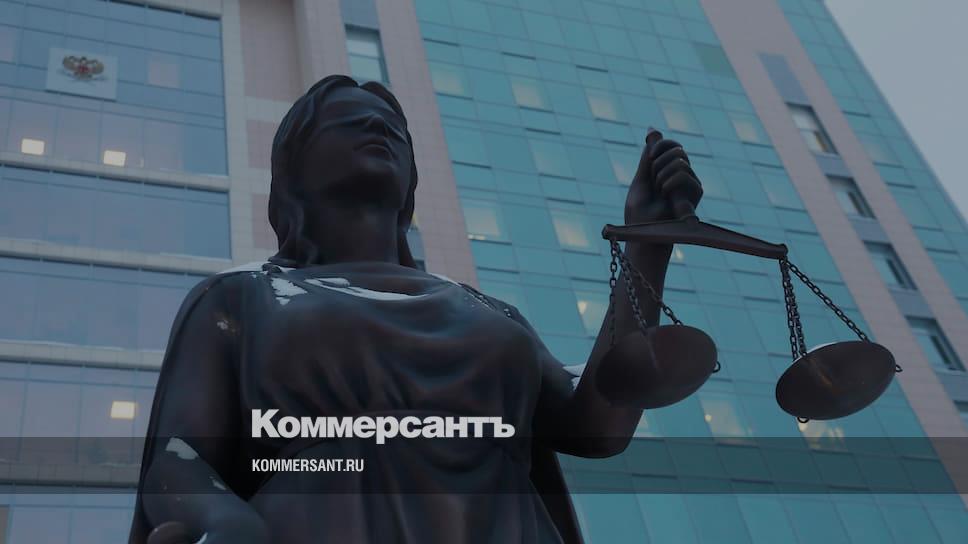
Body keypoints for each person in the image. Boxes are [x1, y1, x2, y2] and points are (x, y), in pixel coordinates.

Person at [130, 75, 703, 544]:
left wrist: (647, 244)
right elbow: (177, 459)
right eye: (348, 121)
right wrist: (228, 521)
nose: (378, 128)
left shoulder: (488, 312)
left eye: (393, 129)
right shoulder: (241, 297)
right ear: (294, 165)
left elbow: (596, 427)